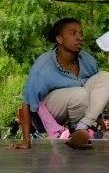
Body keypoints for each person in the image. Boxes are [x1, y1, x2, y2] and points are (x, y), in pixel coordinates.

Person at [15, 17, 109, 150]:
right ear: (59, 39)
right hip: (47, 114)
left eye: (81, 34)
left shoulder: (88, 60)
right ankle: (79, 129)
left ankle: (81, 129)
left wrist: (100, 123)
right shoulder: (43, 66)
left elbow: (97, 93)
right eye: (73, 33)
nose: (79, 37)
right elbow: (26, 102)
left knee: (106, 77)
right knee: (79, 93)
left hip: (79, 108)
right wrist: (26, 141)